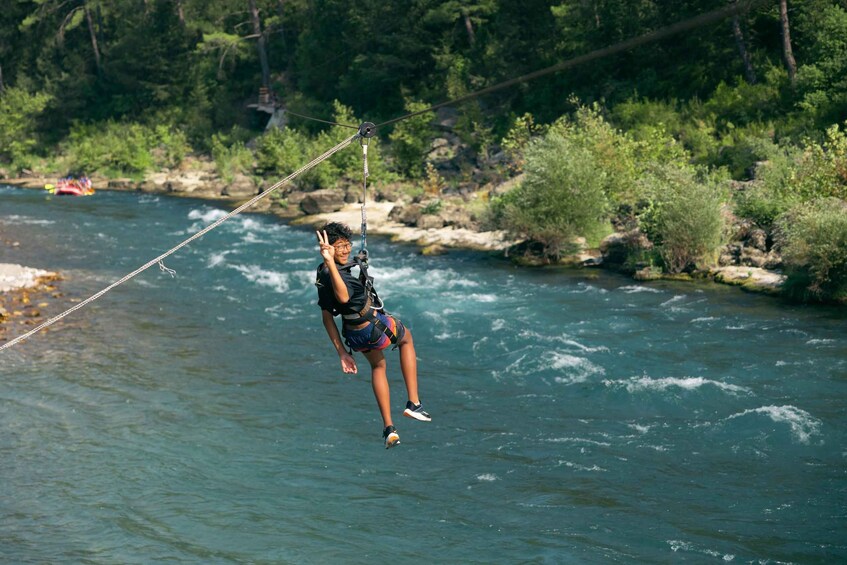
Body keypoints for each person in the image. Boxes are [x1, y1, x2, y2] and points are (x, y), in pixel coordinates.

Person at [315, 222, 430, 449]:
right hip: (373, 327)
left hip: (355, 336)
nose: (346, 250)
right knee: (407, 340)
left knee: (378, 367)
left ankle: (389, 429)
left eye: (347, 245)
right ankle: (414, 403)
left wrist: (341, 352)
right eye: (340, 247)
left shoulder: (322, 273)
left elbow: (327, 316)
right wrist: (330, 259)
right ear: (328, 249)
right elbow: (344, 297)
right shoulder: (334, 274)